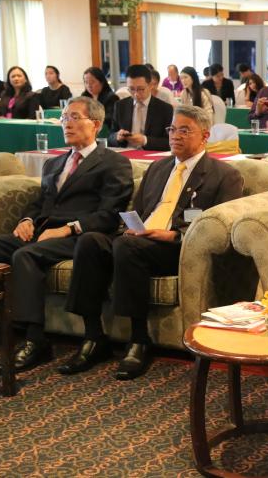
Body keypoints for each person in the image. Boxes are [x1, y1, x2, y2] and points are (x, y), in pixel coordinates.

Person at [60, 104, 243, 379]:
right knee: (90, 242)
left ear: (205, 136)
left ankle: (138, 339)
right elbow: (139, 210)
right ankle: (93, 335)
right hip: (139, 239)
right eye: (172, 129)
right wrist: (131, 228)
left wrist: (174, 234)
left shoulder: (224, 175)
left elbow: (222, 225)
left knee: (127, 246)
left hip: (178, 246)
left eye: (185, 131)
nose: (175, 136)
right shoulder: (158, 168)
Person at [0, 96, 134, 368]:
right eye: (64, 118)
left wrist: (67, 229)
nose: (67, 124)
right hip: (42, 233)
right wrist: (27, 219)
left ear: (96, 124)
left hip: (80, 237)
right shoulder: (54, 163)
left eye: (75, 117)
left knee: (26, 255)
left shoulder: (114, 163)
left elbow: (110, 213)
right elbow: (41, 201)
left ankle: (36, 339)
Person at [108, 64, 173, 151]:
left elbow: (169, 142)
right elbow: (110, 137)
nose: (136, 94)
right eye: (131, 89)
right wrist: (117, 137)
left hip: (151, 155)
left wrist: (145, 140)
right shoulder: (120, 106)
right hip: (125, 153)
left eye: (141, 89)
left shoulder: (165, 109)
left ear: (150, 85)